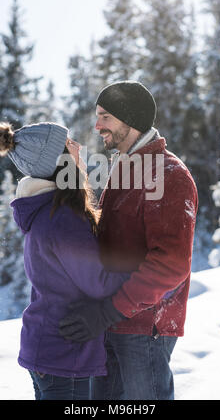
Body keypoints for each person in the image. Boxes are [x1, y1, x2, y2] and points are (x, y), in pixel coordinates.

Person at [59, 81, 198, 400]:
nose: (97, 125)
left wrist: (109, 310)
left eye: (105, 116)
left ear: (129, 118)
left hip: (144, 328)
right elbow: (106, 239)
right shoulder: (124, 172)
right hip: (111, 324)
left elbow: (171, 264)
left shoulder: (168, 174)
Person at [0, 121, 129, 401]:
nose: (78, 147)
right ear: (60, 163)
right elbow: (100, 283)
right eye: (69, 144)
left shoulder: (50, 212)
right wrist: (142, 267)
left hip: (50, 348)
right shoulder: (63, 219)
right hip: (64, 355)